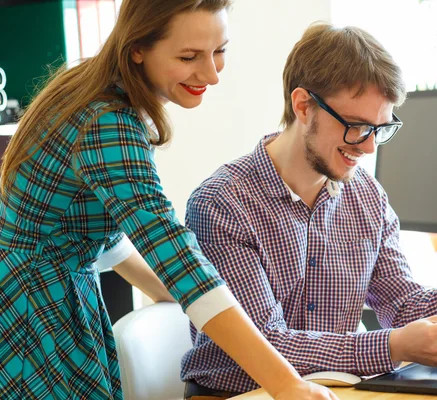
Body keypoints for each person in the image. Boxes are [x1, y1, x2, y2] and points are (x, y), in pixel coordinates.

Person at [0, 2, 338, 400]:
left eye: (220, 51)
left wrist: (165, 290)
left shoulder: (91, 87)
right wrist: (287, 384)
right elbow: (176, 252)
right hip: (33, 313)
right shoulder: (107, 121)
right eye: (189, 56)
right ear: (137, 48)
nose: (211, 74)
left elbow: (90, 226)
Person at [182, 22, 437, 394]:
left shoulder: (367, 196)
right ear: (303, 106)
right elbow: (267, 345)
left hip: (340, 390)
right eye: (357, 126)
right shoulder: (222, 204)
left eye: (379, 129)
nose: (368, 148)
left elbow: (400, 304)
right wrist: (392, 346)